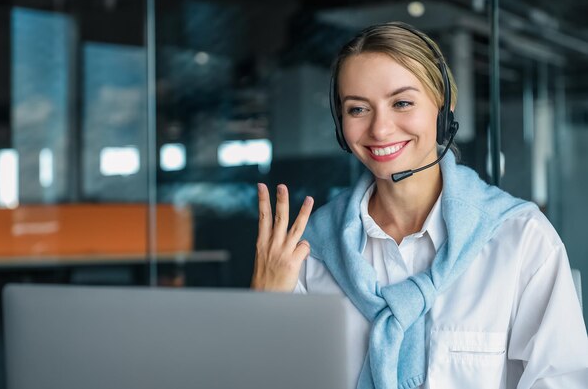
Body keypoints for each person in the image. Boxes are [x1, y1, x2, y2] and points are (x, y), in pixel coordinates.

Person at [251, 22, 588, 389]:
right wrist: (265, 310)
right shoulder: (307, 252)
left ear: (444, 108)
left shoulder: (519, 238)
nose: (380, 129)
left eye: (402, 103)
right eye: (358, 109)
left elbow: (561, 381)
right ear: (340, 124)